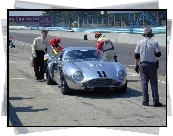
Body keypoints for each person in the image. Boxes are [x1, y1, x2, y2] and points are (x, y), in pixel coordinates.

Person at [134, 28, 163, 107]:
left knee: (144, 83)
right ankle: (155, 100)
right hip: (152, 64)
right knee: (154, 83)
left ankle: (145, 101)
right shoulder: (155, 42)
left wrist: (136, 65)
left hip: (143, 64)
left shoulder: (140, 42)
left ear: (144, 35)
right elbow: (158, 54)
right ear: (151, 35)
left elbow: (136, 55)